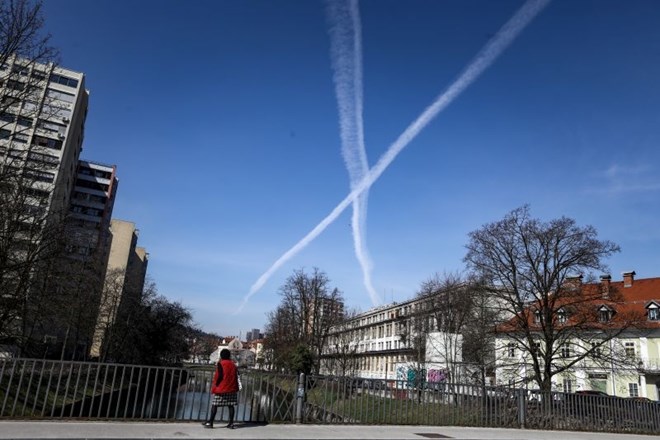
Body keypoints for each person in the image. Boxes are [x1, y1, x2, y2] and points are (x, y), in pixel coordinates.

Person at [202, 348, 239, 429]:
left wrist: (215, 386)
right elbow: (236, 376)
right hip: (232, 388)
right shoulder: (234, 365)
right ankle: (231, 423)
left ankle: (210, 422)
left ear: (221, 356)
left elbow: (218, 377)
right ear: (229, 356)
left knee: (214, 405)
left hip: (221, 388)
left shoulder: (220, 364)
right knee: (231, 405)